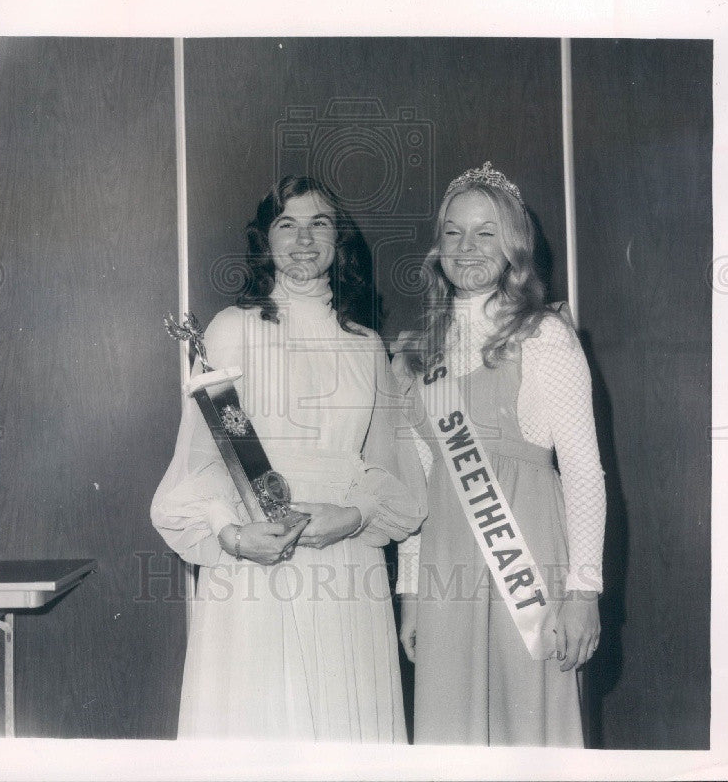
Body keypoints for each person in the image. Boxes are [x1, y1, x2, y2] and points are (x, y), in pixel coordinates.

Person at [151, 175, 426, 741]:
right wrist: (230, 534)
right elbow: (201, 461)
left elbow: (392, 470)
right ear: (265, 240)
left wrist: (353, 518)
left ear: (338, 240)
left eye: (318, 223)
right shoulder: (230, 330)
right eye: (287, 224)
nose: (304, 239)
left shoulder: (368, 345)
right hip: (256, 563)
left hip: (346, 565)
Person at [392, 162, 606, 746]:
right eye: (454, 233)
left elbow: (584, 472)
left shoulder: (544, 335)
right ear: (437, 246)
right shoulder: (413, 356)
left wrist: (584, 593)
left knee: (530, 724)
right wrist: (410, 598)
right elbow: (419, 486)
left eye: (486, 233)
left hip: (528, 564)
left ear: (513, 244)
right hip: (445, 572)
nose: (467, 248)